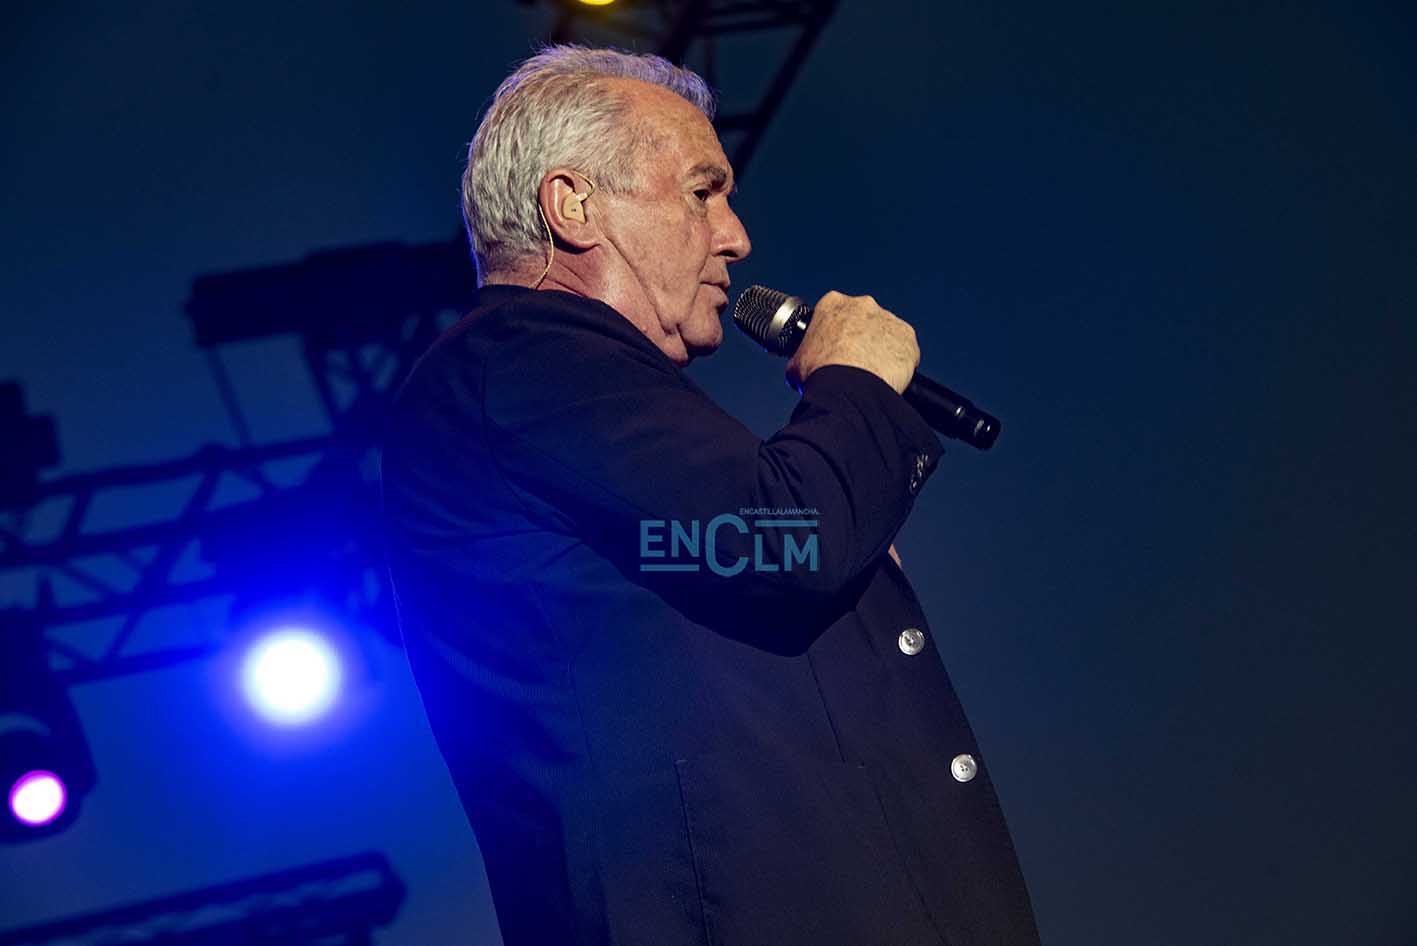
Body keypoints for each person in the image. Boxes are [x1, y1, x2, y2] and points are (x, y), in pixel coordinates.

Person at [381, 45, 1040, 946]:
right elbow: (787, 539)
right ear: (573, 206)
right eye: (702, 192)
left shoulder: (559, 398)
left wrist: (839, 530)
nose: (735, 236)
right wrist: (854, 390)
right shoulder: (522, 357)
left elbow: (734, 549)